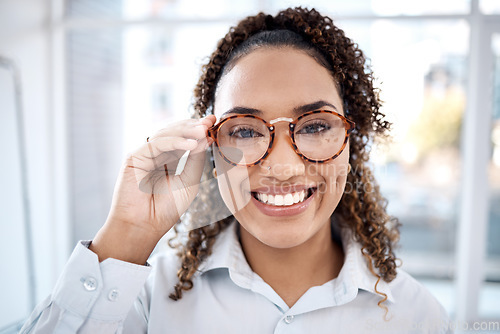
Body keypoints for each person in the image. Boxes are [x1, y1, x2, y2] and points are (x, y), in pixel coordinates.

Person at [21, 7, 451, 334]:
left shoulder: (418, 316)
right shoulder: (146, 302)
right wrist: (127, 232)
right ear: (211, 148)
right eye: (244, 132)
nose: (283, 166)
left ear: (349, 144)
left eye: (316, 125)